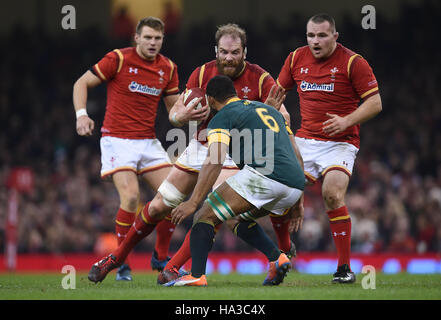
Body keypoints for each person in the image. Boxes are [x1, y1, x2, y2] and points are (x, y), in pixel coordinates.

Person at [86, 23, 299, 284]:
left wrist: (269, 113)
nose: (229, 58)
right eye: (224, 52)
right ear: (216, 51)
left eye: (234, 52)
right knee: (157, 206)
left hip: (234, 151)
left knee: (217, 210)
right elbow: (175, 113)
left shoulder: (262, 78)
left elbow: (282, 117)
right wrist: (182, 115)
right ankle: (116, 258)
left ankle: (175, 267)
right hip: (200, 144)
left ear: (244, 52)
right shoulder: (202, 73)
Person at [73, 17, 206, 281]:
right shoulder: (118, 59)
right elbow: (81, 83)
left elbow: (173, 113)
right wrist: (81, 115)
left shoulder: (167, 67)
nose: (152, 43)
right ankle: (122, 263)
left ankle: (160, 254)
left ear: (162, 40)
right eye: (147, 37)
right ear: (137, 38)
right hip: (117, 140)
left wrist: (195, 115)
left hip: (148, 142)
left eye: (157, 38)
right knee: (132, 197)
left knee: (173, 195)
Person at [164, 75, 305, 286]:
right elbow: (297, 154)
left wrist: (193, 202)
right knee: (232, 218)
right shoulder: (268, 110)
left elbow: (215, 159)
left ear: (210, 100)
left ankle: (196, 276)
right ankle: (277, 258)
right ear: (234, 94)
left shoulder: (222, 117)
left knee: (204, 214)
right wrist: (298, 202)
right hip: (294, 184)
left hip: (266, 177)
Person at [276, 13, 382, 283]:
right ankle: (285, 250)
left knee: (332, 194)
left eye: (322, 35)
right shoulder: (295, 58)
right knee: (279, 194)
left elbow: (375, 103)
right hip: (304, 142)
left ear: (335, 37)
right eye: (311, 35)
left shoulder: (353, 63)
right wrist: (281, 113)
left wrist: (346, 120)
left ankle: (344, 269)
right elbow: (275, 95)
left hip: (341, 144)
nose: (315, 41)